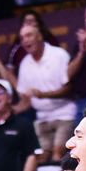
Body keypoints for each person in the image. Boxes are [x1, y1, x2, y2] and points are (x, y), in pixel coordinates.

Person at [13, 23, 76, 163]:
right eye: (22, 38)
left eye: (29, 35)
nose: (25, 40)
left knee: (57, 154)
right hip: (41, 118)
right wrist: (11, 110)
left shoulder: (59, 55)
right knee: (38, 158)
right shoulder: (24, 64)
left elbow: (69, 89)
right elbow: (26, 101)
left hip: (64, 114)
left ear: (40, 36)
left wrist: (43, 95)